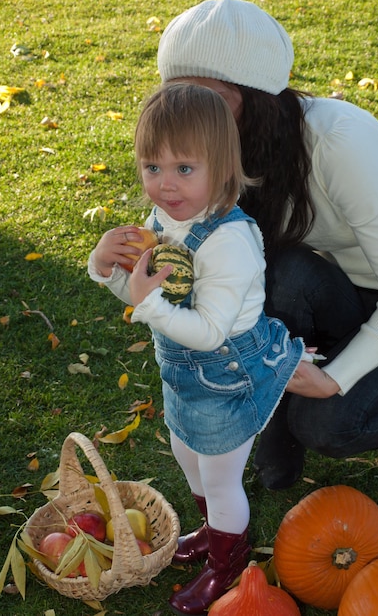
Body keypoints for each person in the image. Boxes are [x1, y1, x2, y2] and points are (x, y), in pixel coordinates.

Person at [155, 0, 378, 491]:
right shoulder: (222, 145)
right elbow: (179, 240)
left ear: (250, 98)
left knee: (329, 423)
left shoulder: (337, 139)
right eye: (178, 98)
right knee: (277, 274)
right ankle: (275, 447)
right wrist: (128, 255)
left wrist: (333, 380)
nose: (189, 121)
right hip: (346, 292)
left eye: (207, 100)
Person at [88, 83, 310, 615]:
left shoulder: (229, 241)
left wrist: (150, 305)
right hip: (185, 374)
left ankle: (227, 566)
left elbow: (210, 330)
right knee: (186, 453)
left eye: (184, 169)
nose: (165, 185)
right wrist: (104, 267)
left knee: (219, 474)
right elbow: (142, 291)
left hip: (230, 371)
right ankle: (213, 534)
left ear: (223, 167)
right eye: (152, 167)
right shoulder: (163, 222)